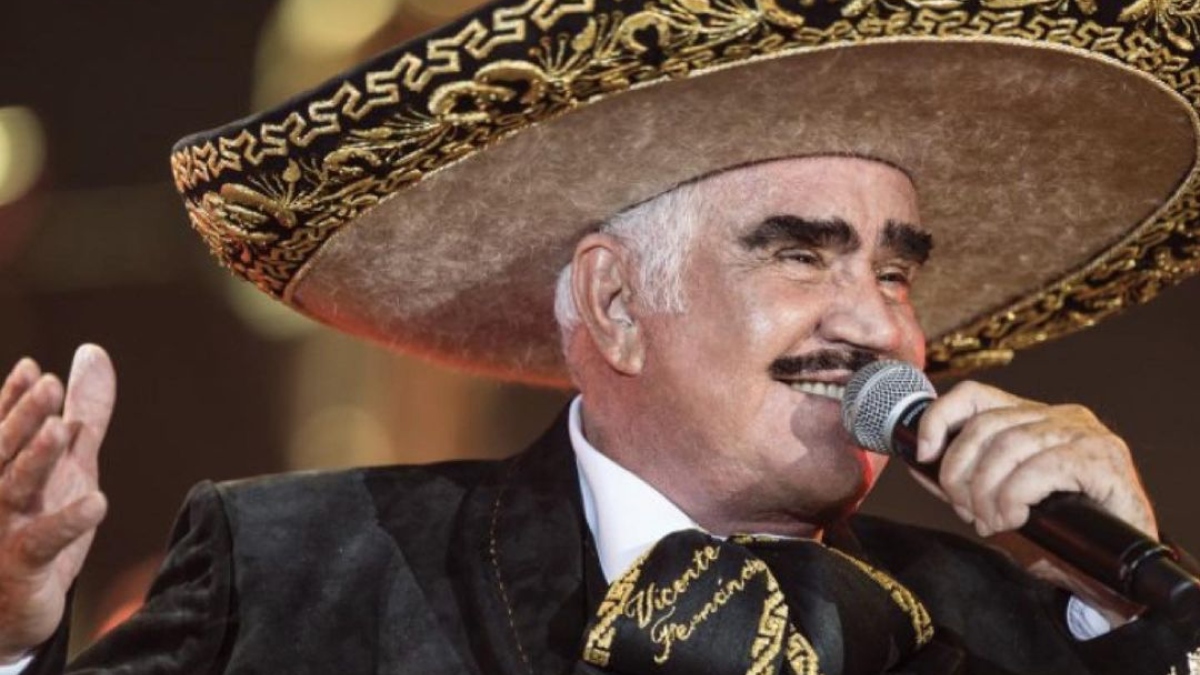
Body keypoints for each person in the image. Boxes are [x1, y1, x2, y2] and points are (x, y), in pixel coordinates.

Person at [4, 0, 1200, 672]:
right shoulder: (291, 569)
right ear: (618, 306)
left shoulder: (1025, 626)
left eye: (896, 271)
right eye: (801, 253)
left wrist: (1134, 606)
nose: (879, 322)